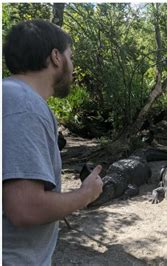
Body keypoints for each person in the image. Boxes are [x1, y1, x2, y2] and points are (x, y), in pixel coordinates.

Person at [2, 19, 103, 265]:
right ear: (56, 57)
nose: (73, 66)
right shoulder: (24, 106)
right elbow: (25, 208)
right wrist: (85, 194)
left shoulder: (11, 96)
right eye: (71, 57)